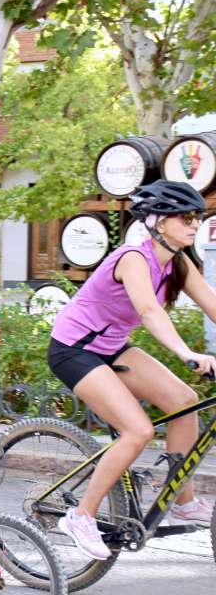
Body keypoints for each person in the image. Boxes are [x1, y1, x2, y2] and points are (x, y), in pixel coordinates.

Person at [50, 180, 215, 560]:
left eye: (198, 217)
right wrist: (186, 353)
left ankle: (183, 500)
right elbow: (149, 312)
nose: (195, 224)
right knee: (137, 429)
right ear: (158, 222)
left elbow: (212, 303)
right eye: (187, 217)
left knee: (183, 400)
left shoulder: (177, 262)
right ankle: (81, 515)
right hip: (73, 349)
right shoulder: (133, 258)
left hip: (111, 348)